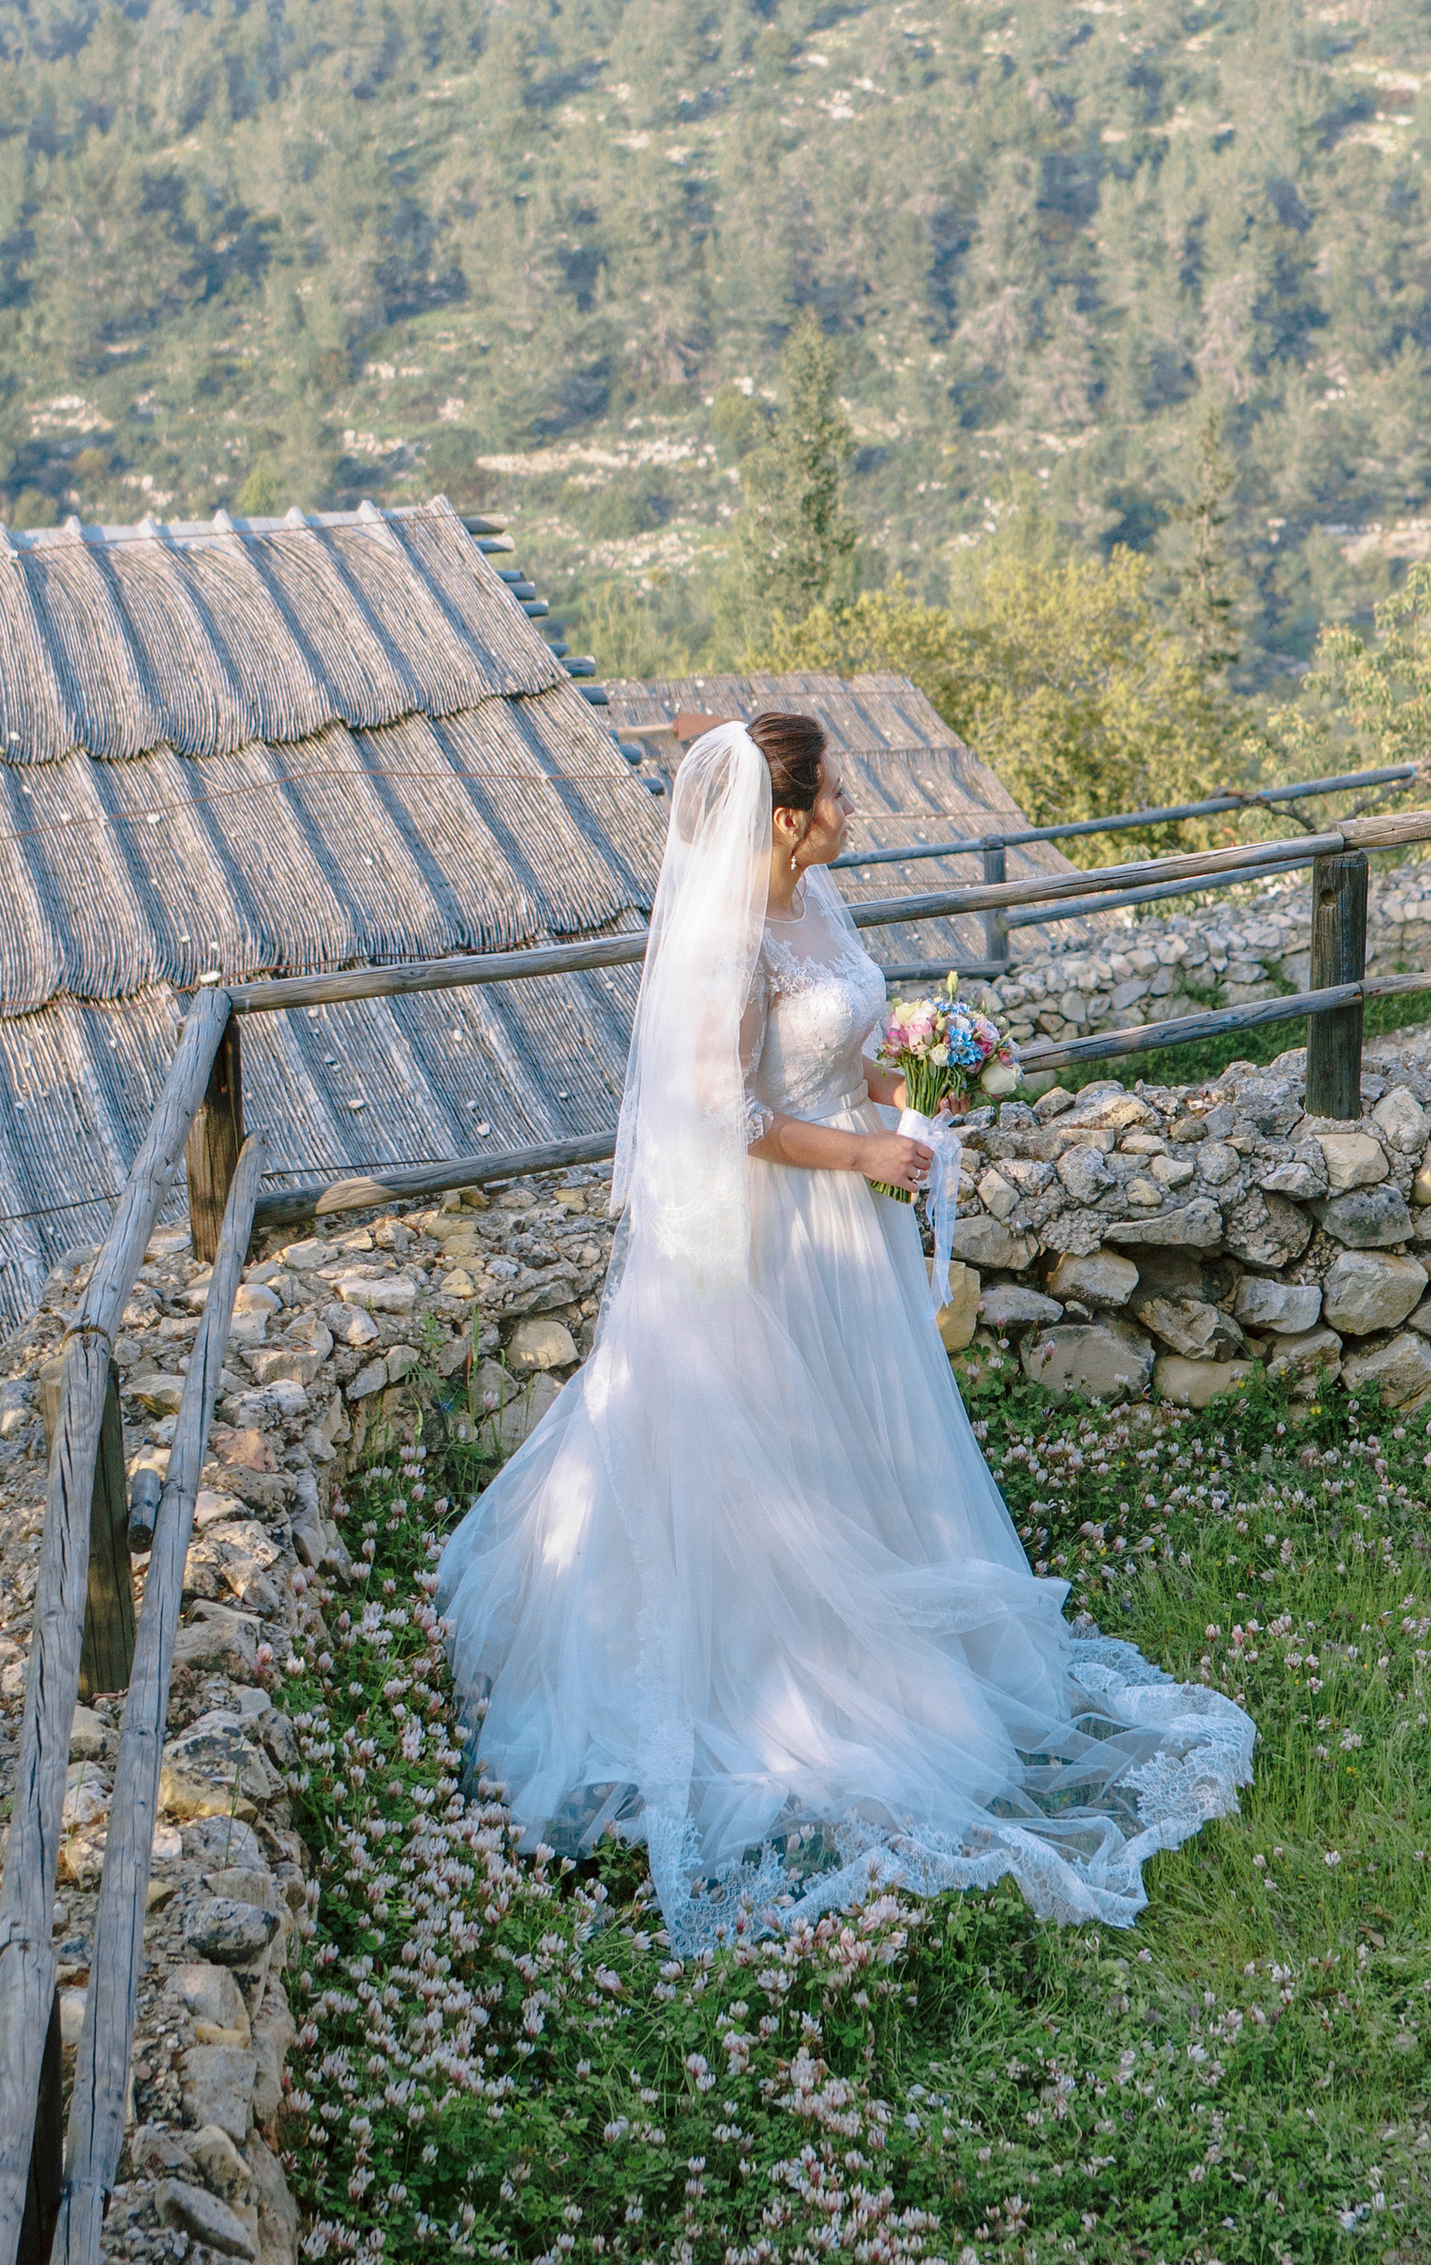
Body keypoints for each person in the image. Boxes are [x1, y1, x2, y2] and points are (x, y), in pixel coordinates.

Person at [436, 710, 1254, 1949]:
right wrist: (869, 1149)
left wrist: (923, 1070)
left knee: (870, 1452)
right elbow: (732, 1116)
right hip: (771, 1244)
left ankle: (905, 1644)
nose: (853, 805)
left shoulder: (815, 908)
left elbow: (842, 1051)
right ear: (785, 817)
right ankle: (802, 1686)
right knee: (774, 1470)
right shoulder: (722, 943)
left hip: (847, 1238)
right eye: (837, 791)